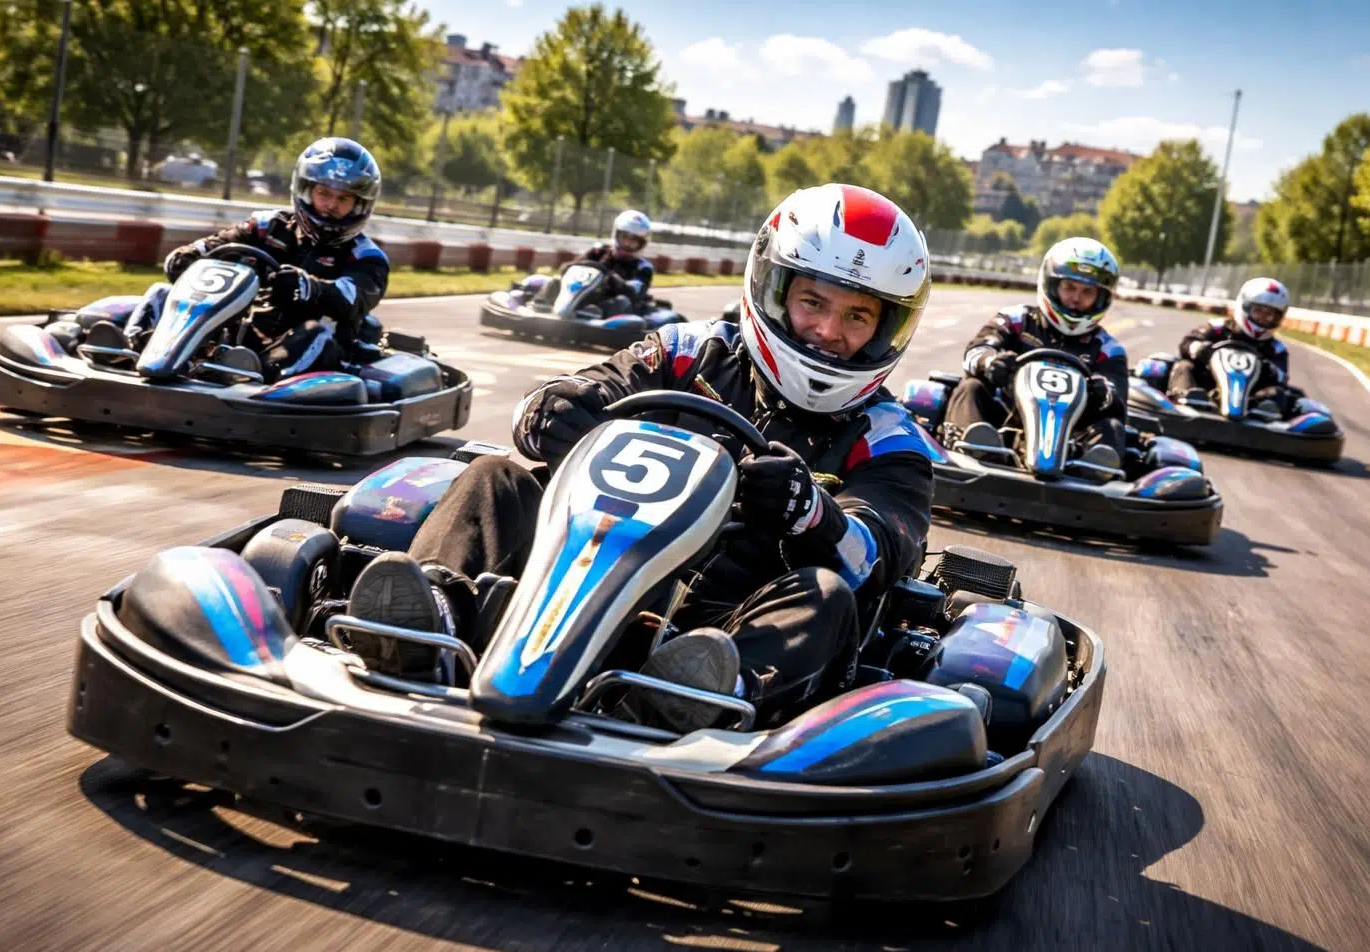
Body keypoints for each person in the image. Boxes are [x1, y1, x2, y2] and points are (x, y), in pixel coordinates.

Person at [345, 183, 938, 733]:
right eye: (813, 302)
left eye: (857, 316)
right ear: (774, 289)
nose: (827, 332)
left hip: (725, 623)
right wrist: (554, 414)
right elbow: (565, 396)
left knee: (826, 596)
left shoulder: (889, 439)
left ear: (888, 329)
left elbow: (883, 554)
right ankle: (433, 622)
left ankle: (691, 698)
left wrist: (811, 512)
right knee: (493, 476)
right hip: (586, 567)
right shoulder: (685, 351)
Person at [125, 137, 389, 381]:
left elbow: (353, 297)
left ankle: (249, 380)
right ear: (306, 191)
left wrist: (309, 288)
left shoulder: (367, 257)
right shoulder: (268, 226)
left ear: (360, 204)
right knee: (162, 293)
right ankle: (134, 349)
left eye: (343, 198)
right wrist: (187, 258)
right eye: (324, 194)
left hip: (297, 352)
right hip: (238, 337)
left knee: (316, 334)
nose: (331, 205)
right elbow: (214, 246)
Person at [942, 237, 1127, 468]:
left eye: (1087, 292)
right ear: (1051, 284)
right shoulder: (1016, 320)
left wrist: (1102, 392)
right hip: (1003, 424)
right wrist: (990, 363)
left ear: (1101, 297)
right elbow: (977, 350)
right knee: (970, 388)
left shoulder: (1108, 349)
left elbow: (1118, 396)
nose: (1076, 298)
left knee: (1113, 427)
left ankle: (1092, 470)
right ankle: (978, 452)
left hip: (1072, 441)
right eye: (1069, 287)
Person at [1168, 277, 1296, 413]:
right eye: (1258, 311)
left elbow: (1282, 377)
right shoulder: (1217, 328)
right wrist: (1200, 349)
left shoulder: (1276, 348)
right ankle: (1186, 399)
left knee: (1281, 393)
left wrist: (1266, 368)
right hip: (1206, 387)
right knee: (1183, 366)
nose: (1263, 318)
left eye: (1269, 314)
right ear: (1245, 307)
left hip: (1251, 398)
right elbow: (1187, 343)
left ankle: (1259, 413)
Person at [574, 209, 657, 315]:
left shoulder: (643, 267)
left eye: (634, 241)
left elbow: (634, 291)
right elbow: (573, 267)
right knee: (554, 282)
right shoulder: (598, 251)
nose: (627, 244)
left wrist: (610, 279)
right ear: (616, 235)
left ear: (641, 244)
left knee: (621, 301)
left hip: (615, 310)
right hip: (585, 296)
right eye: (625, 238)